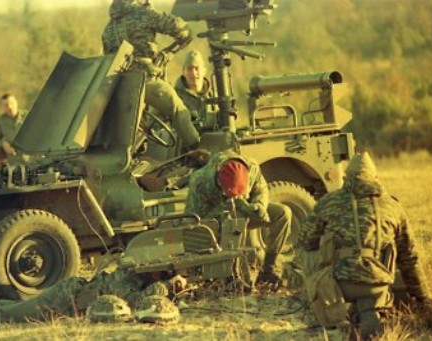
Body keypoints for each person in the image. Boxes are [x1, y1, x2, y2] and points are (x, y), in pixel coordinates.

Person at [297, 152, 432, 340]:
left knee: (307, 252)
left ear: (346, 178)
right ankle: (369, 310)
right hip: (378, 285)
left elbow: (305, 241)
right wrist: (423, 298)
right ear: (376, 178)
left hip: (339, 286)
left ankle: (339, 314)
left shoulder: (329, 202)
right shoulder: (393, 206)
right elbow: (409, 258)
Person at [0, 266, 179, 325]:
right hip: (65, 300)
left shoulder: (135, 271)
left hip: (70, 293)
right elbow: (146, 308)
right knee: (6, 316)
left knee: (13, 308)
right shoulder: (135, 287)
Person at [185, 149, 291, 289]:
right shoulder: (200, 182)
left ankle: (268, 270)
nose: (233, 197)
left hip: (245, 209)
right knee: (237, 218)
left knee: (283, 213)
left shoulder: (252, 168)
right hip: (217, 223)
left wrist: (258, 206)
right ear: (218, 179)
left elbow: (261, 190)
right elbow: (195, 220)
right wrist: (223, 211)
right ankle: (234, 275)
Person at [102, 0, 200, 149]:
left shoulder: (108, 28)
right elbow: (183, 30)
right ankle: (199, 150)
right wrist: (169, 52)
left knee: (134, 127)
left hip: (117, 86)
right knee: (178, 109)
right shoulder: (144, 13)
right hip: (144, 79)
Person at [174, 50, 215, 131]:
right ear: (183, 71)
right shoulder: (174, 97)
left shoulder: (214, 95)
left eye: (196, 68)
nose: (193, 73)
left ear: (204, 70)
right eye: (189, 69)